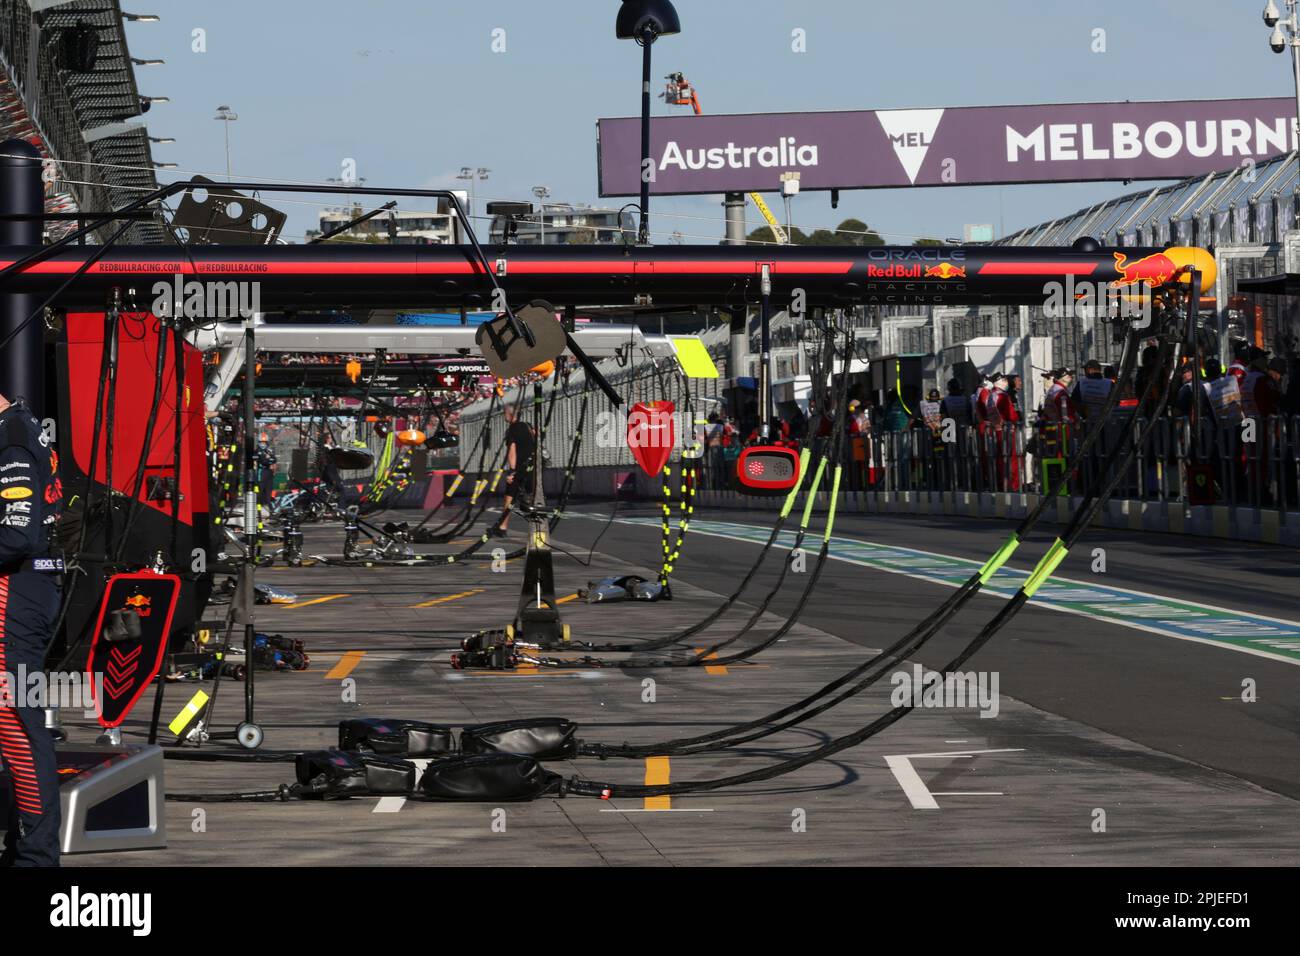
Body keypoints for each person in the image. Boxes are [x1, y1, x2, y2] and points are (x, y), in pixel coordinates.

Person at [0, 391, 63, 867]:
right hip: (26, 589)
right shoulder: (20, 427)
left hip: (16, 593)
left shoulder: (12, 436)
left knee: (17, 724)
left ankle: (35, 858)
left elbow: (15, 535)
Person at [491, 402, 535, 536]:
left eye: (505, 413)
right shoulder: (528, 426)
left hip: (520, 468)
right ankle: (538, 528)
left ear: (510, 415)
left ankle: (503, 528)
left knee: (509, 497)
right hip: (532, 466)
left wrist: (512, 472)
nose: (504, 415)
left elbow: (512, 451)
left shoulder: (512, 429)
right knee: (532, 497)